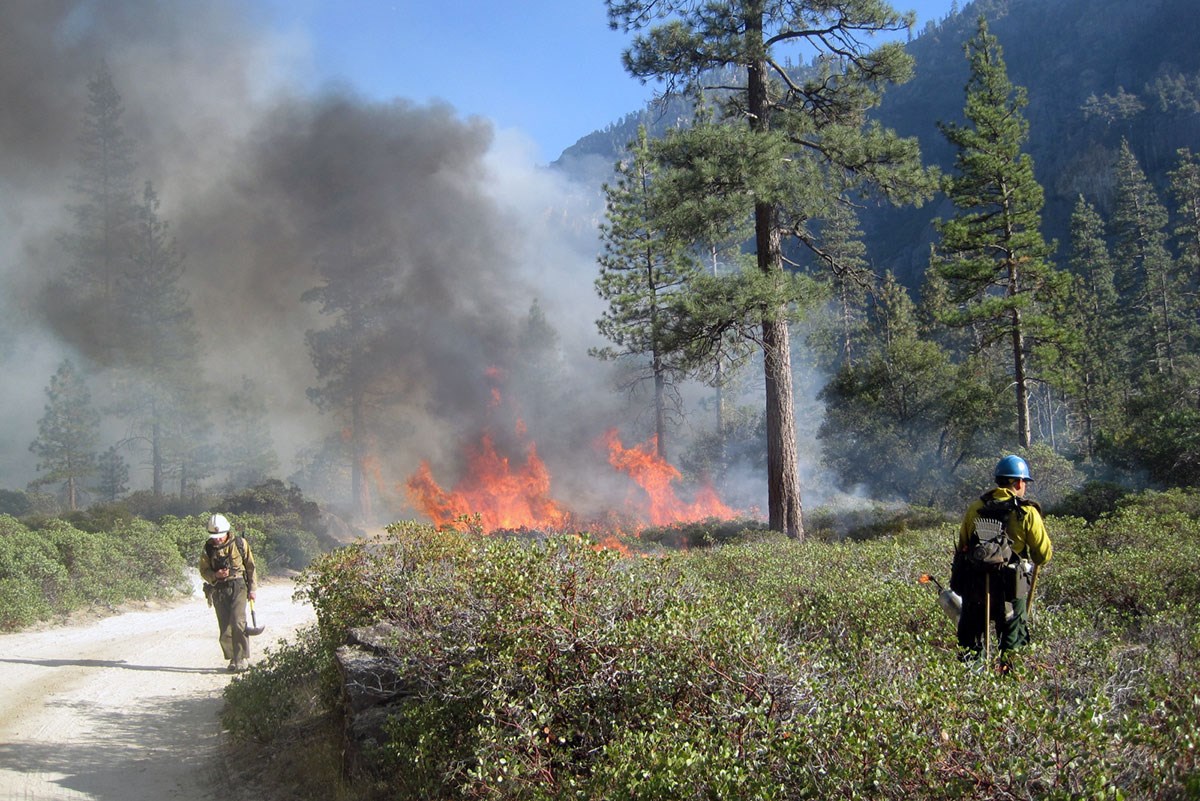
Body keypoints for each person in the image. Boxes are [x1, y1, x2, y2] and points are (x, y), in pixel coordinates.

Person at [953, 455, 1052, 662]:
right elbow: (1042, 555)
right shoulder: (1027, 512)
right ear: (1018, 482)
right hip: (1011, 590)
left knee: (971, 644)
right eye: (1024, 482)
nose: (1024, 486)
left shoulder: (975, 508)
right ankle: (1008, 683)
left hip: (976, 588)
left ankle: (970, 686)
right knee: (1013, 646)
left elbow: (963, 545)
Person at [198, 513, 257, 672]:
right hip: (218, 589)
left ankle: (241, 658)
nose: (217, 539)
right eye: (214, 536)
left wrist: (252, 589)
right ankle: (232, 658)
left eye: (219, 536)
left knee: (238, 621)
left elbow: (250, 567)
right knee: (225, 627)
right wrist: (215, 575)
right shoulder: (208, 548)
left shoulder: (240, 544)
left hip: (238, 586)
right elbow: (203, 570)